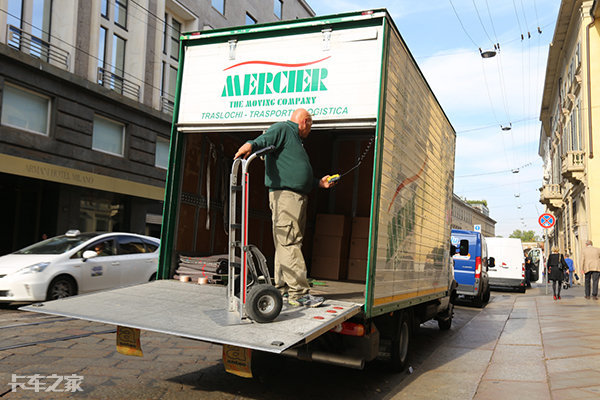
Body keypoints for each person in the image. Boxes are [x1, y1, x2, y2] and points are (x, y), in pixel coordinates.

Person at [234, 108, 336, 308]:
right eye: (310, 126)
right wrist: (250, 145)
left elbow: (294, 171)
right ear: (305, 122)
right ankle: (299, 293)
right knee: (290, 243)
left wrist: (318, 183)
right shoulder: (284, 129)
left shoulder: (294, 140)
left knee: (284, 244)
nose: (309, 131)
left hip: (294, 197)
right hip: (286, 197)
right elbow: (264, 139)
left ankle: (282, 290)